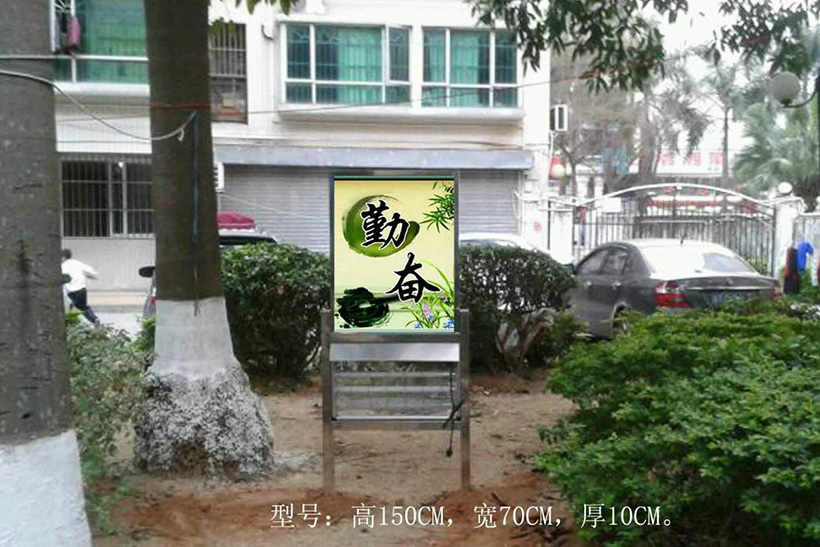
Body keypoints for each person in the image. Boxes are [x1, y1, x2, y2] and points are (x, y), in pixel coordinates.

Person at [61, 248, 100, 324]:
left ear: (63, 257)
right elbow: (90, 271)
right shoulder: (77, 263)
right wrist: (91, 276)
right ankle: (94, 319)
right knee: (82, 306)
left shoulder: (62, 266)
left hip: (71, 291)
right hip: (82, 290)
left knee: (78, 307)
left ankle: (92, 319)